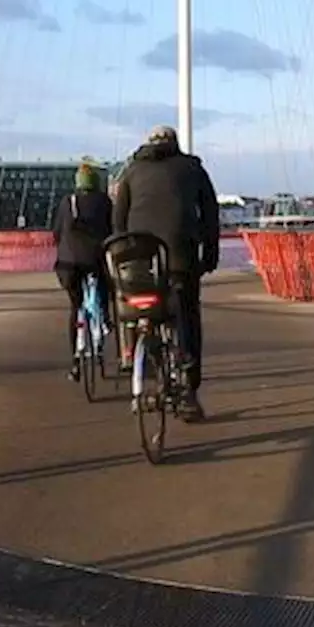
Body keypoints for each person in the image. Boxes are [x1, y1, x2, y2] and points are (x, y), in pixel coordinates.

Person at [112, 125, 219, 421]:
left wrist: (124, 260)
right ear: (175, 143)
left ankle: (135, 355)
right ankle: (188, 391)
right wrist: (209, 256)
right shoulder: (192, 168)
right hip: (179, 260)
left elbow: (118, 220)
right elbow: (209, 215)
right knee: (187, 317)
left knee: (138, 307)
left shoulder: (130, 172)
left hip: (139, 261)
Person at [51, 161, 113, 382]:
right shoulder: (104, 202)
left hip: (68, 265)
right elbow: (112, 231)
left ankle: (75, 362)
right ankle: (105, 318)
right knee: (106, 284)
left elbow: (56, 233)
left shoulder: (67, 202)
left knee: (75, 307)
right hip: (95, 261)